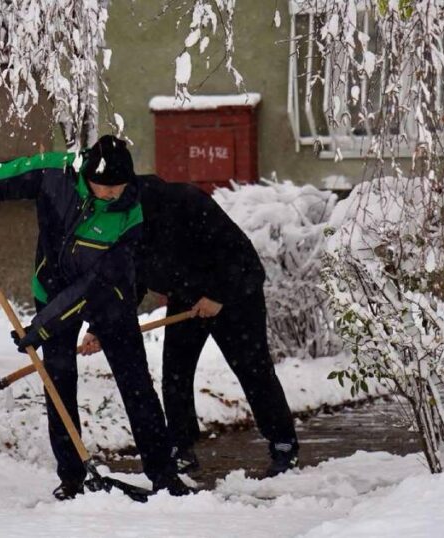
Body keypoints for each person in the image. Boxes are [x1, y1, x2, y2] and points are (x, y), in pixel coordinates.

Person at [0, 135, 190, 500]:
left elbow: (96, 284)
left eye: (119, 187)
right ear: (86, 175)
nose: (112, 195)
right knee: (59, 383)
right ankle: (71, 476)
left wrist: (43, 327)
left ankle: (163, 474)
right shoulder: (55, 173)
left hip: (108, 297)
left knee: (136, 385)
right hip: (50, 288)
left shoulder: (130, 214)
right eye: (104, 187)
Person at [79, 175, 300, 478]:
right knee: (176, 372)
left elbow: (239, 255)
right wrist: (101, 326)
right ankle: (181, 448)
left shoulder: (182, 201)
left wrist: (218, 295)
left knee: (253, 368)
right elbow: (128, 283)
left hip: (235, 293)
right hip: (188, 296)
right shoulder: (123, 228)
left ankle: (283, 442)